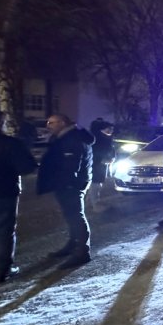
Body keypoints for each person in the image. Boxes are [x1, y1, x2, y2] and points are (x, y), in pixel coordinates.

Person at [37, 114, 95, 269]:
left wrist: (68, 184)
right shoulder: (65, 136)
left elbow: (71, 166)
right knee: (71, 216)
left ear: (62, 123)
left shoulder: (72, 139)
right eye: (48, 122)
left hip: (71, 184)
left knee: (76, 216)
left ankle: (82, 251)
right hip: (67, 183)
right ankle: (73, 244)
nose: (48, 125)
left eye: (51, 122)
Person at [0, 111, 38, 282]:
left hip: (4, 191)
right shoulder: (11, 144)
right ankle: (1, 270)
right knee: (4, 231)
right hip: (4, 192)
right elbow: (27, 167)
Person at [87, 120, 115, 210]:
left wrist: (112, 157)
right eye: (109, 128)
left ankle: (90, 202)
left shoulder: (106, 138)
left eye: (112, 129)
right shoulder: (95, 139)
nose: (111, 131)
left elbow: (111, 149)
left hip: (102, 164)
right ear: (101, 129)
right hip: (95, 164)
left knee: (98, 183)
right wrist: (101, 160)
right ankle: (95, 204)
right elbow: (93, 152)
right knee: (95, 183)